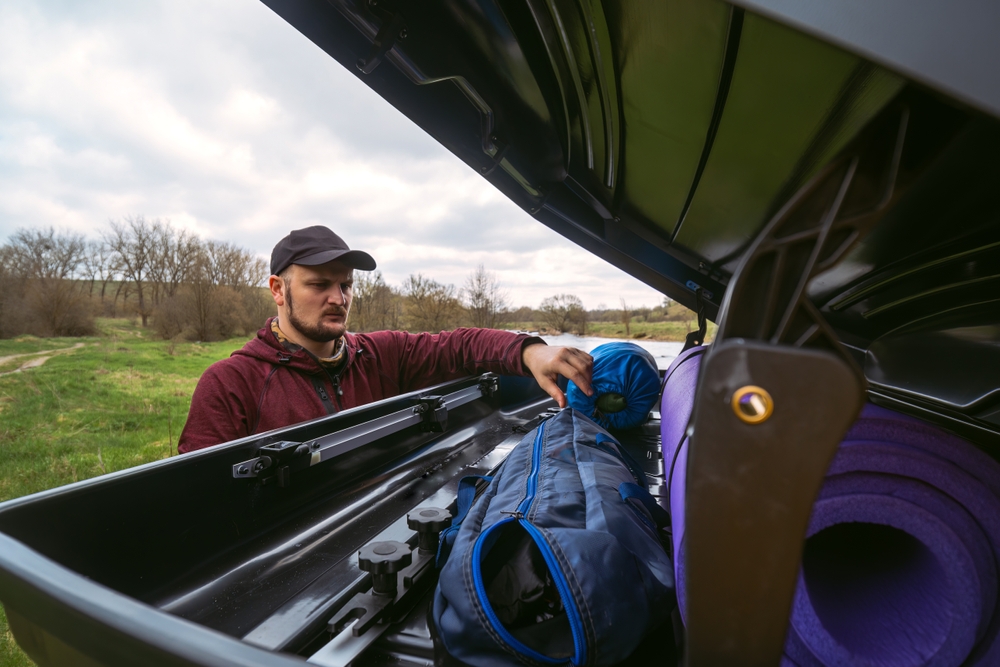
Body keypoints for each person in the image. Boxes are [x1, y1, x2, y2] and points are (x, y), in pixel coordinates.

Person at [178, 226, 594, 452]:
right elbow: (198, 507)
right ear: (277, 289)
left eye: (346, 286)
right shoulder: (229, 384)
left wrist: (530, 351)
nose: (338, 299)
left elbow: (459, 346)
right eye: (319, 284)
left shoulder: (381, 354)